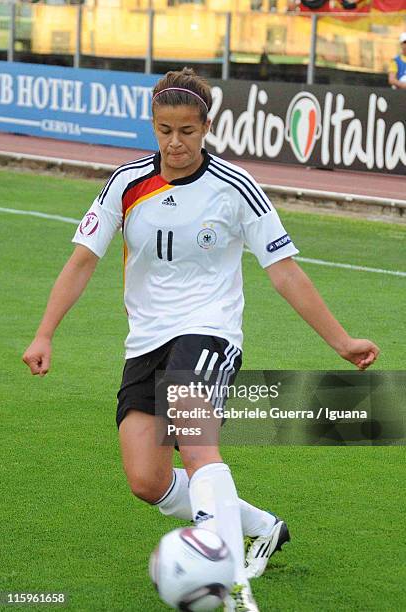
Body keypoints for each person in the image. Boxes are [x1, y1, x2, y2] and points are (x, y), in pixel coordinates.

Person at [23, 68, 379, 611]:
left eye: (187, 130)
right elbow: (80, 262)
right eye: (164, 129)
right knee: (148, 481)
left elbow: (284, 272)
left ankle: (232, 582)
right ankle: (263, 526)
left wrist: (340, 340)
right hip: (145, 341)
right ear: (153, 125)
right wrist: (45, 331)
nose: (175, 142)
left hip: (209, 330)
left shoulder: (236, 188)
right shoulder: (126, 183)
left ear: (206, 127)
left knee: (196, 444)